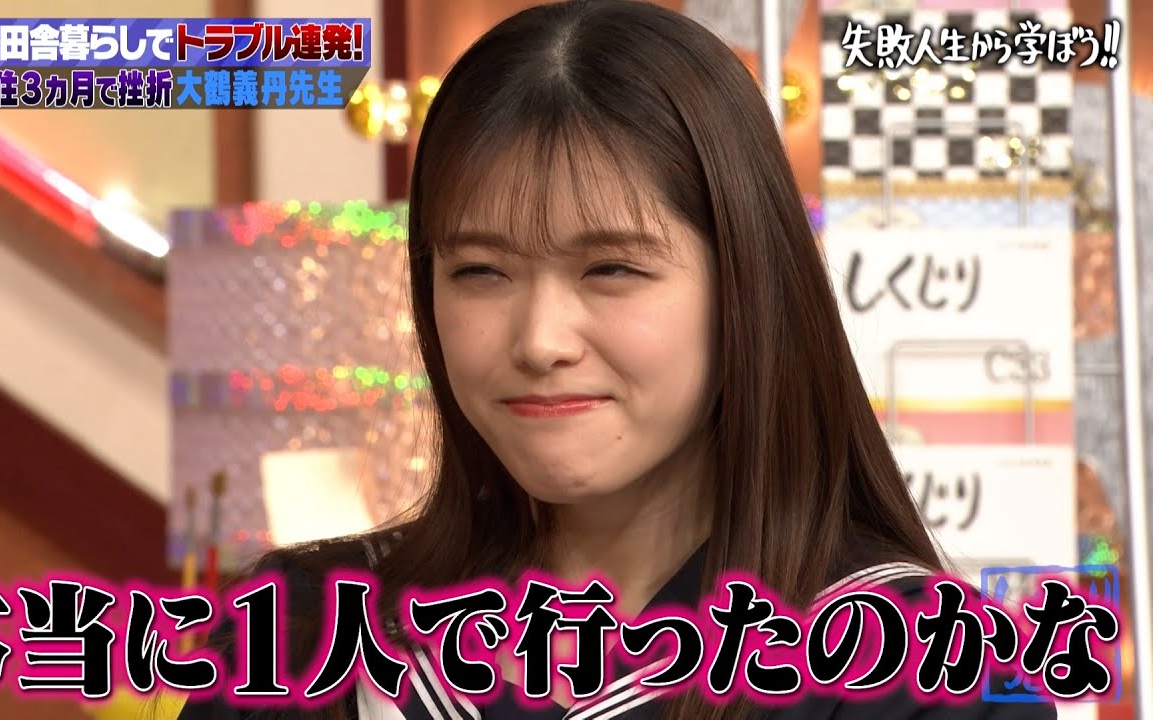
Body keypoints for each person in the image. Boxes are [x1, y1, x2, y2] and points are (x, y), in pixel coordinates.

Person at [177, 1, 1057, 718]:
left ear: (746, 286)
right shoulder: (301, 632)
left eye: (612, 270)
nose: (539, 341)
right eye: (480, 271)